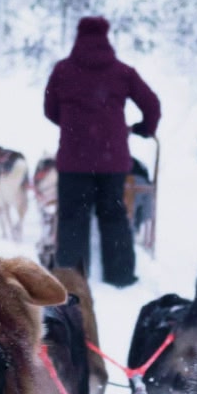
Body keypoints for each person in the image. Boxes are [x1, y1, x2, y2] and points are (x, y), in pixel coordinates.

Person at [43, 15, 160, 287]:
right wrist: (143, 128)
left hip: (73, 161)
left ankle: (72, 280)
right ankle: (119, 276)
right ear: (107, 37)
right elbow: (151, 104)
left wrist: (74, 125)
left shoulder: (62, 71)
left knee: (73, 217)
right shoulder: (122, 71)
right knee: (113, 216)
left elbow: (49, 110)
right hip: (112, 161)